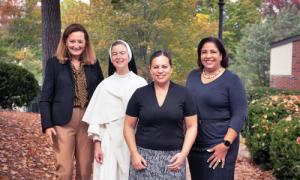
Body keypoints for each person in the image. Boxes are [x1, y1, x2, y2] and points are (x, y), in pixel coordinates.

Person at [39, 23, 104, 179]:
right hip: (62, 123)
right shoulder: (54, 64)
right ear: (65, 42)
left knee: (85, 171)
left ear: (86, 43)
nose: (76, 45)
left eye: (80, 41)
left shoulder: (94, 64)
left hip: (88, 122)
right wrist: (47, 125)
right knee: (65, 171)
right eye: (72, 41)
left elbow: (102, 95)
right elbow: (45, 98)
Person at [124, 50, 198, 180]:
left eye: (164, 66)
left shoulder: (184, 94)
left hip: (174, 160)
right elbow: (128, 126)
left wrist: (183, 154)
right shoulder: (139, 94)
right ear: (151, 70)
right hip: (143, 159)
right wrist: (134, 154)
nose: (160, 70)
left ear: (171, 69)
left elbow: (192, 126)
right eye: (156, 67)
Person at [82, 40, 147, 180]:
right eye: (114, 54)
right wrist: (97, 146)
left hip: (133, 141)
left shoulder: (140, 83)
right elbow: (97, 121)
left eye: (122, 53)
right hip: (108, 141)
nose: (118, 57)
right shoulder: (104, 86)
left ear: (129, 55)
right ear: (111, 58)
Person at [186, 36, 247, 180]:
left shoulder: (232, 80)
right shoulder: (193, 76)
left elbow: (239, 115)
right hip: (195, 143)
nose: (208, 56)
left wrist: (225, 144)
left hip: (219, 144)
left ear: (221, 55)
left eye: (213, 52)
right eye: (204, 52)